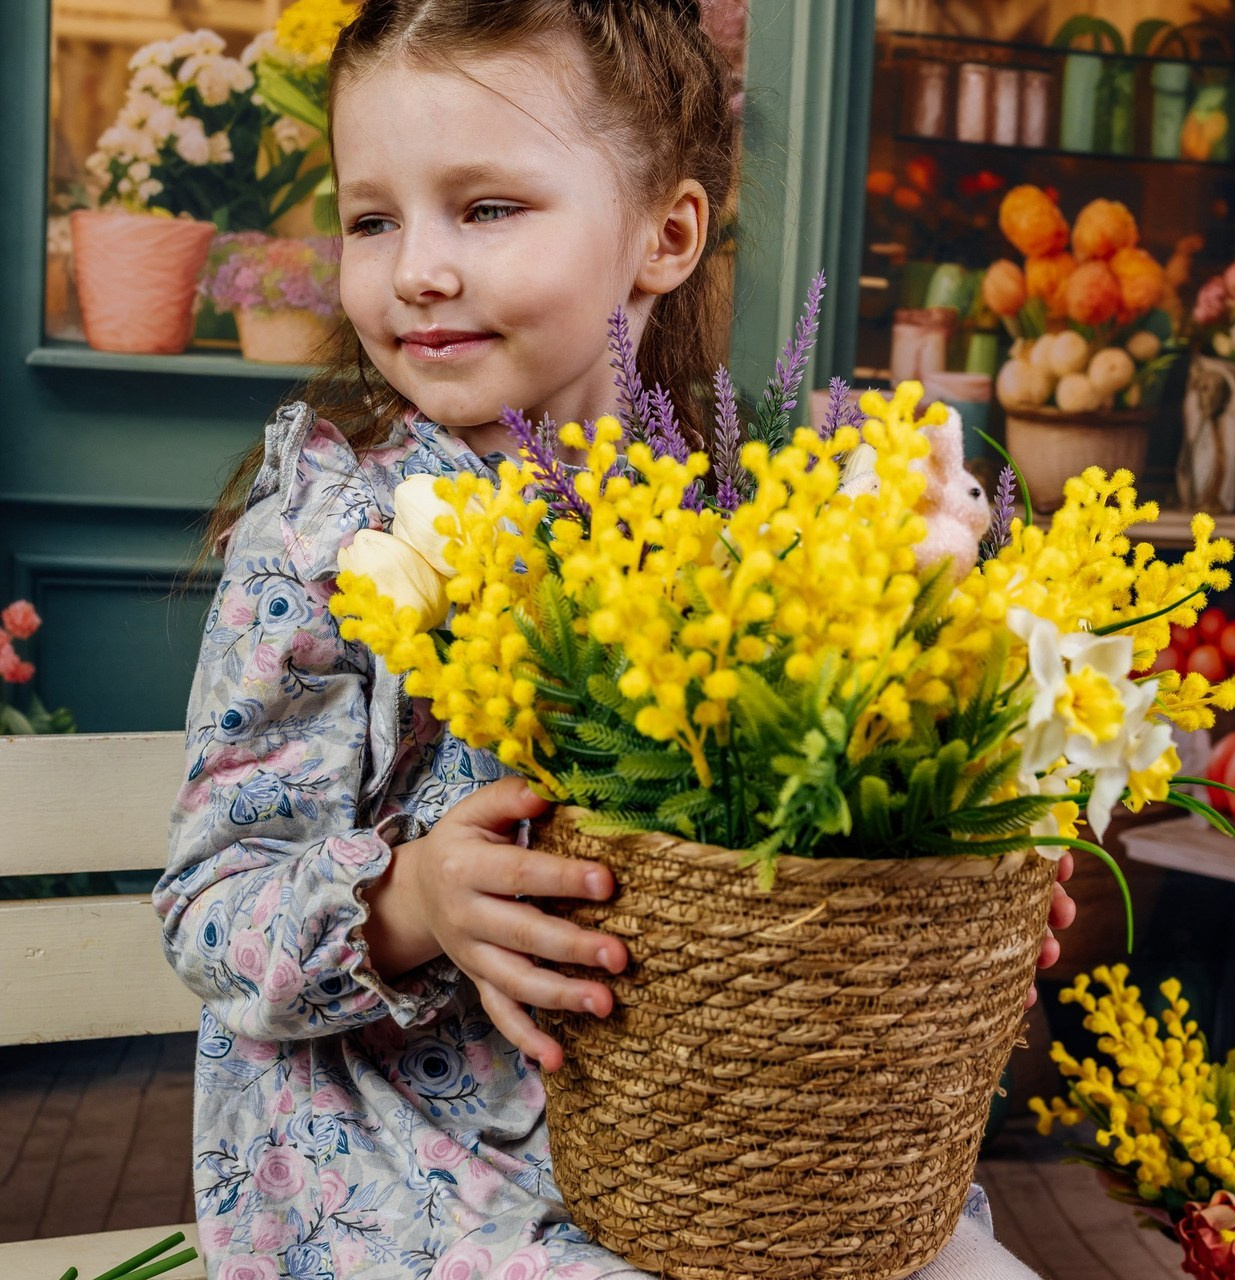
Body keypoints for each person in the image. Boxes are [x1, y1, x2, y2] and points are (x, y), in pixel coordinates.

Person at [155, 2, 1074, 1276]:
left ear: (665, 234)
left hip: (725, 1148)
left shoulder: (755, 525)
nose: (416, 265)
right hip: (413, 1174)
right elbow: (209, 907)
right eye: (372, 218)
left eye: (484, 209)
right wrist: (409, 897)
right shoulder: (327, 532)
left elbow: (797, 836)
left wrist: (937, 891)